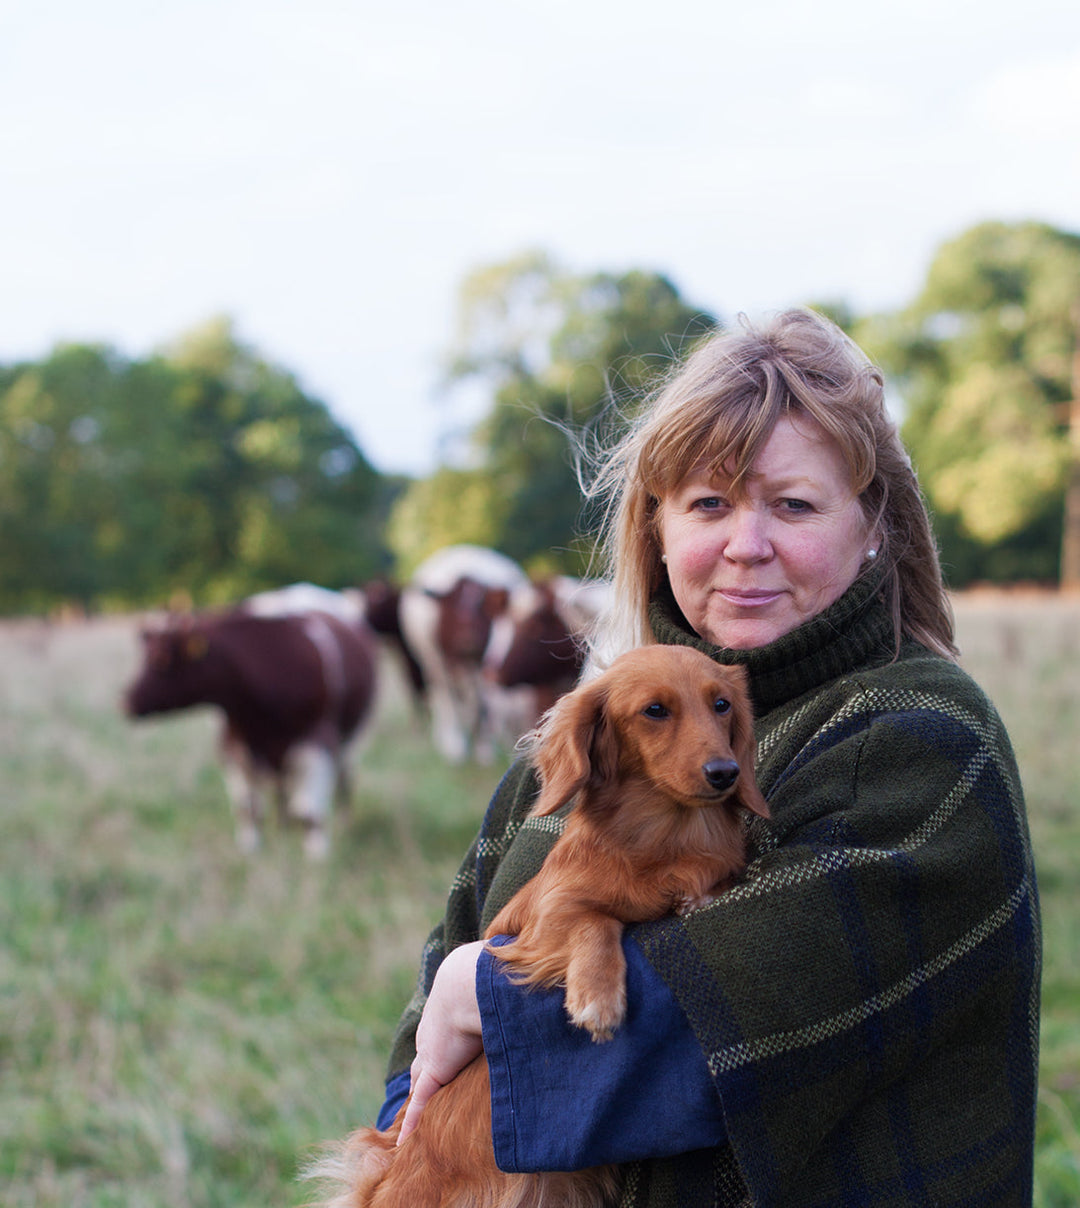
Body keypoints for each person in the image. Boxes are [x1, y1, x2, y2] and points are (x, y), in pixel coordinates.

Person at [375, 309, 1041, 1206]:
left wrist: (479, 992)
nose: (746, 545)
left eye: (794, 504)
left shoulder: (916, 737)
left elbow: (694, 1039)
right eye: (710, 503)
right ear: (657, 526)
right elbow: (421, 1066)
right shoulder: (587, 733)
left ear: (874, 523)